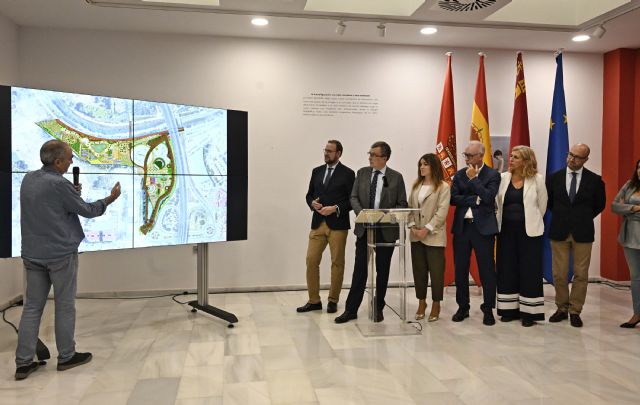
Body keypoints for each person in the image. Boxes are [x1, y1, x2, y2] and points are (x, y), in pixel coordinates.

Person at [14, 140, 121, 380]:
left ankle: (23, 363)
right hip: (60, 255)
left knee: (32, 308)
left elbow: (49, 207)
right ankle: (67, 356)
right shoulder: (59, 184)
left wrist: (69, 197)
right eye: (70, 158)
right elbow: (88, 211)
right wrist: (110, 199)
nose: (72, 161)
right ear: (58, 161)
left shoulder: (28, 179)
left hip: (33, 254)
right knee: (64, 305)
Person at [335, 141, 408, 323]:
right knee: (360, 271)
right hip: (364, 229)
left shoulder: (396, 177)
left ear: (384, 158)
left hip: (386, 232)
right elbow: (353, 197)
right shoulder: (362, 173)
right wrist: (363, 214)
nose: (370, 157)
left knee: (382, 272)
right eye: (369, 154)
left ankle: (378, 307)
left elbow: (402, 204)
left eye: (374, 155)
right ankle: (351, 309)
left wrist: (383, 216)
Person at [547, 143, 606, 327]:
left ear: (585, 160)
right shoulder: (554, 178)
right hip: (559, 231)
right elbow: (550, 203)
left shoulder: (595, 180)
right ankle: (562, 308)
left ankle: (575, 310)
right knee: (559, 273)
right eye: (570, 155)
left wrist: (581, 218)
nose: (572, 159)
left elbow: (599, 205)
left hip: (583, 232)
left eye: (577, 157)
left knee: (581, 274)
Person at [297, 140, 355, 314]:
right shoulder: (317, 171)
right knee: (311, 260)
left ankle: (333, 300)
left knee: (337, 263)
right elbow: (309, 195)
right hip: (317, 224)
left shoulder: (348, 173)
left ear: (339, 153)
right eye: (325, 150)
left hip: (338, 225)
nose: (326, 154)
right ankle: (314, 300)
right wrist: (312, 203)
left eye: (330, 151)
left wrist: (336, 208)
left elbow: (352, 200)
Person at [495, 146, 546, 327]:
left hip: (530, 232)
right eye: (511, 156)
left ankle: (529, 313)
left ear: (526, 160)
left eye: (516, 157)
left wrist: (530, 221)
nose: (511, 159)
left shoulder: (537, 180)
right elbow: (497, 204)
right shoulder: (503, 178)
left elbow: (542, 206)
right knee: (507, 268)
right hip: (506, 231)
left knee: (529, 271)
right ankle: (508, 310)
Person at [450, 140, 500, 326]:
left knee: (487, 270)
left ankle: (488, 308)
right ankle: (463, 307)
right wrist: (476, 199)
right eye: (465, 155)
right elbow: (453, 199)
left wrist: (473, 180)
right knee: (460, 269)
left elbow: (488, 197)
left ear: (481, 155)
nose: (467, 159)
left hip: (484, 229)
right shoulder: (458, 174)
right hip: (463, 228)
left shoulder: (493, 174)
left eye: (470, 155)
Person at [407, 153, 450, 322]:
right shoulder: (416, 185)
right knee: (419, 271)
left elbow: (442, 212)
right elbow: (409, 208)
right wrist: (412, 227)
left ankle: (436, 303)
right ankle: (421, 302)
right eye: (420, 164)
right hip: (415, 235)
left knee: (437, 272)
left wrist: (427, 228)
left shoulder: (443, 187)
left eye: (425, 164)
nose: (422, 167)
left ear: (433, 166)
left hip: (434, 236)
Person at [611, 159, 640, 328]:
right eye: (638, 167)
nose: (639, 171)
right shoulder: (629, 185)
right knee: (636, 277)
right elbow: (614, 206)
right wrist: (633, 209)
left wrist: (627, 207)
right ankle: (637, 313)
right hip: (630, 235)